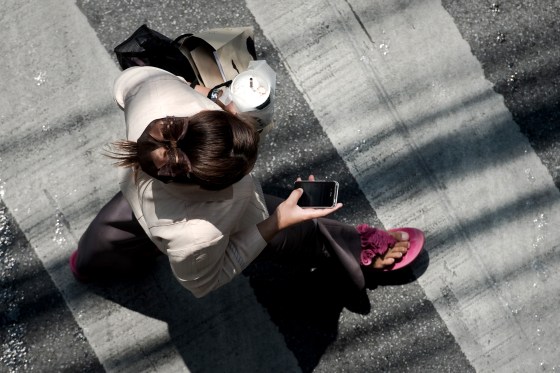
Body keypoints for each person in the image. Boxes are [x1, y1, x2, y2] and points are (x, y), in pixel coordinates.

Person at [70, 66, 421, 298]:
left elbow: (127, 82)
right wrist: (276, 223)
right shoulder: (200, 232)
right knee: (290, 230)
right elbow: (202, 281)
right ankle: (352, 251)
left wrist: (202, 96)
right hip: (184, 225)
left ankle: (88, 263)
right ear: (212, 186)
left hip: (140, 195)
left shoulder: (156, 95)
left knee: (106, 238)